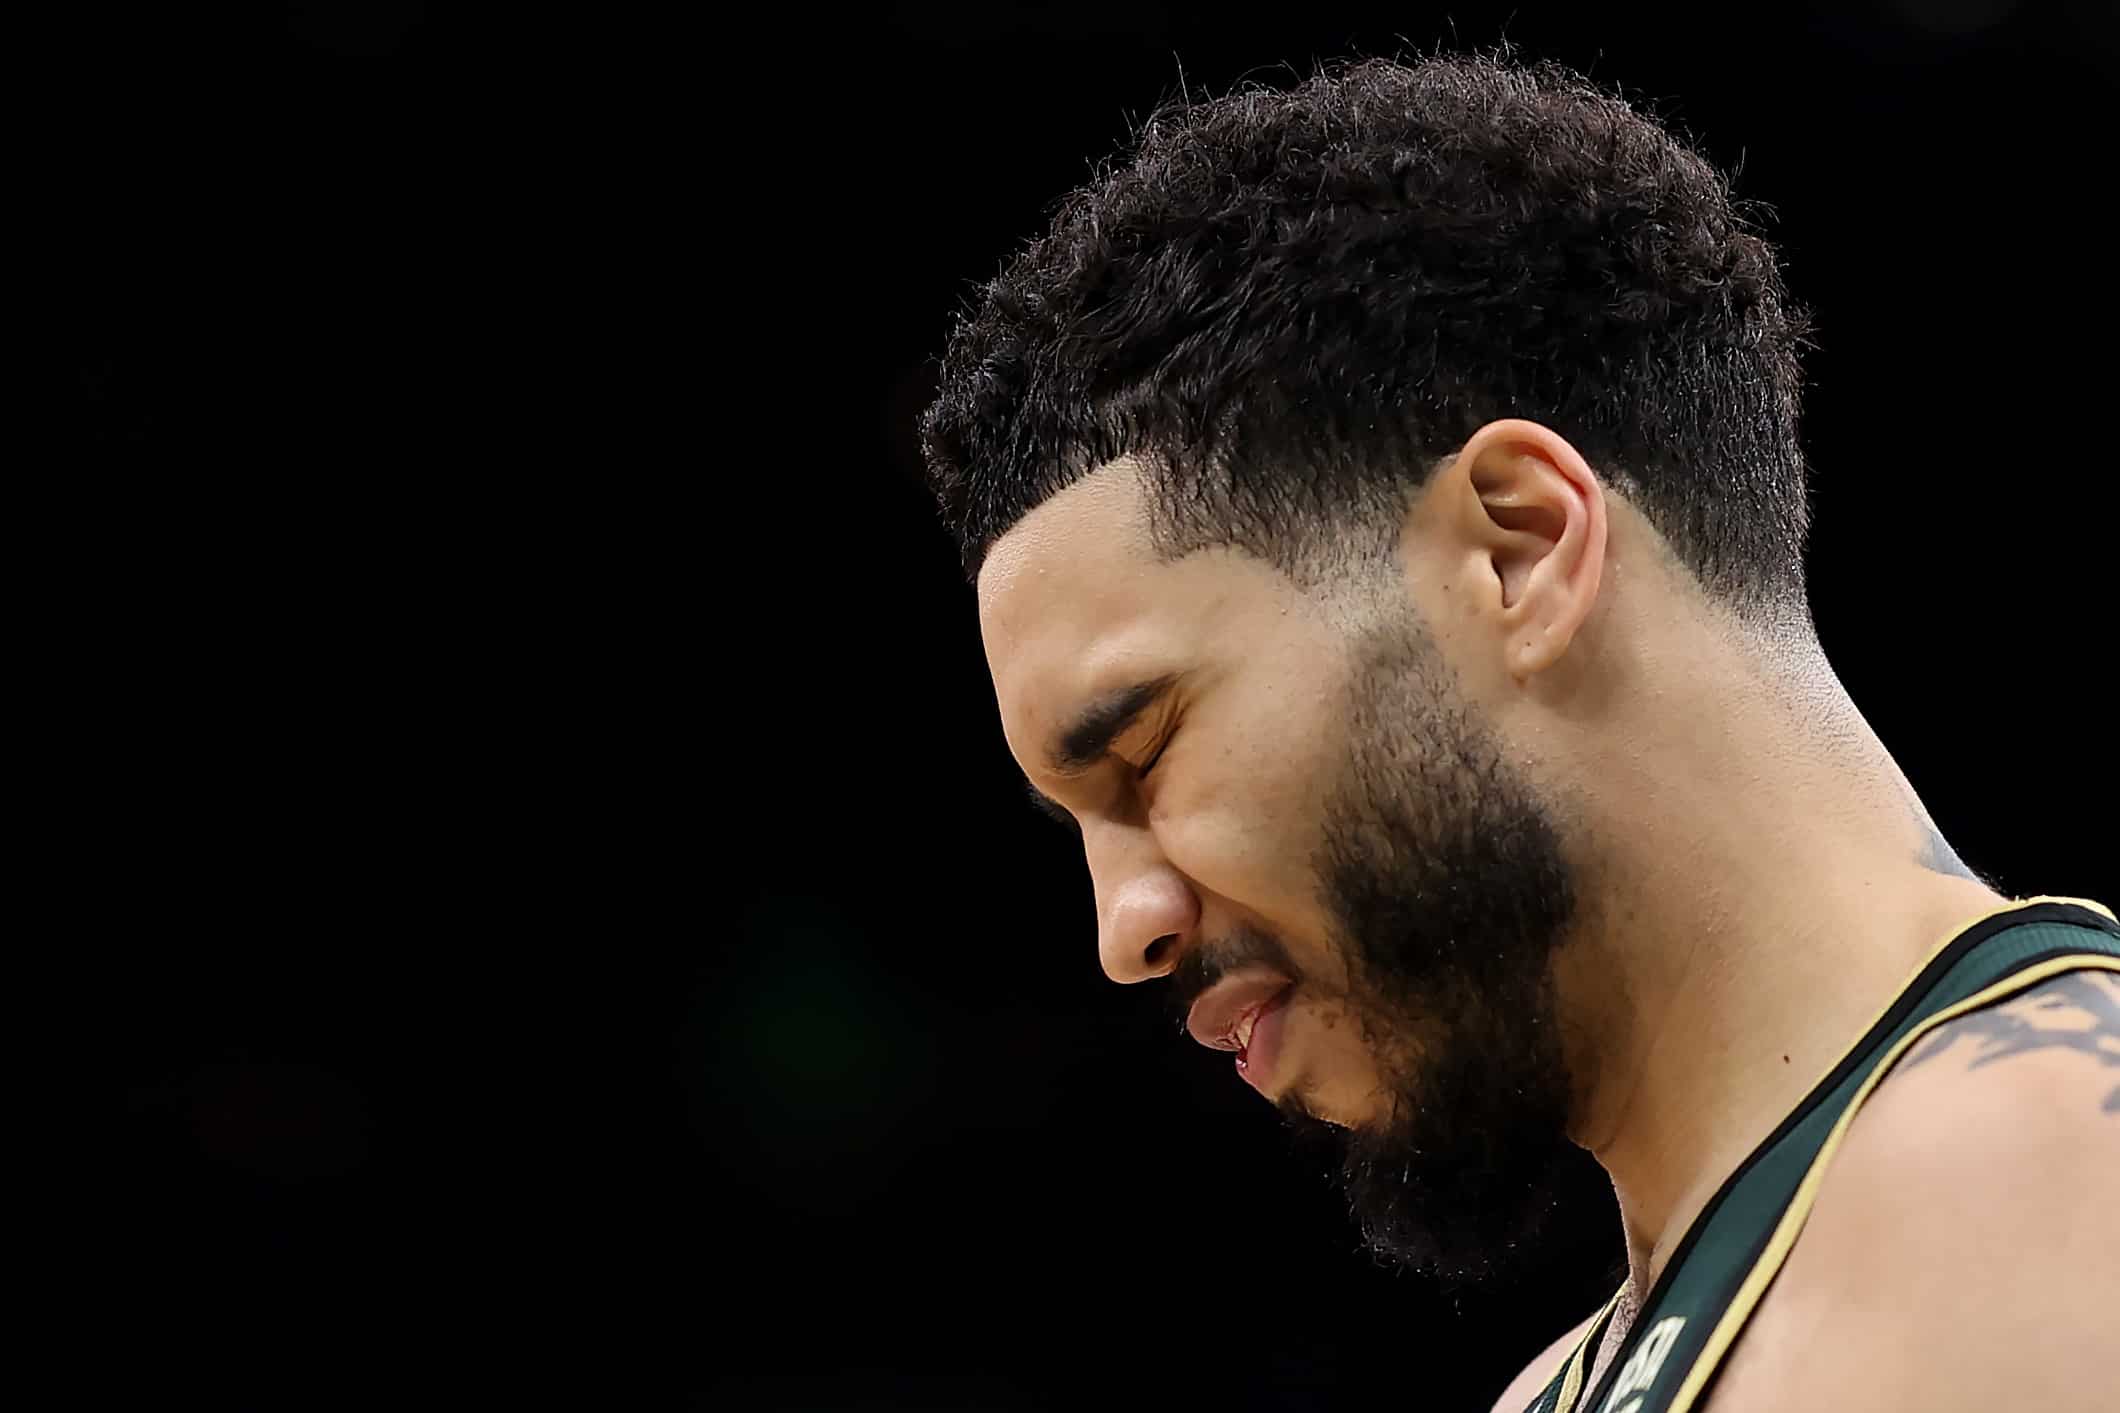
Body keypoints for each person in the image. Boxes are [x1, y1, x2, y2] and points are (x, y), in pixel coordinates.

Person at [914, 48, 2118, 1413]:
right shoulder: (1578, 1377)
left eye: (1144, 754)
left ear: (1520, 552)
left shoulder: (2059, 1183)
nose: (1124, 931)